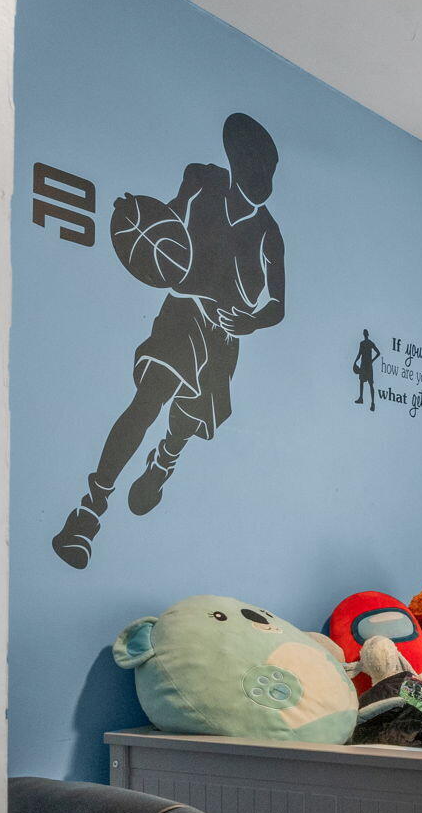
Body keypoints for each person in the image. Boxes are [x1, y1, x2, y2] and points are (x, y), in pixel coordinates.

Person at [52, 113, 286, 568]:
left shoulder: (269, 233)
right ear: (236, 164)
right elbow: (169, 223)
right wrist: (137, 219)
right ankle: (87, 513)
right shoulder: (202, 181)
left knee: (184, 422)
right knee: (148, 399)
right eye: (252, 167)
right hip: (181, 312)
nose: (259, 179)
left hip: (222, 334)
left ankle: (164, 460)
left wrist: (251, 322)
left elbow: (278, 305)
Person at [353, 329, 381, 410]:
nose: (365, 334)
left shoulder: (369, 343)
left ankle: (372, 403)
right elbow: (359, 354)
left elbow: (378, 352)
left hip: (367, 365)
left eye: (365, 333)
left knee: (370, 384)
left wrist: (372, 360)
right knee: (362, 382)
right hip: (365, 365)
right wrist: (355, 361)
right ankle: (361, 398)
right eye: (364, 333)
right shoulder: (363, 343)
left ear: (367, 334)